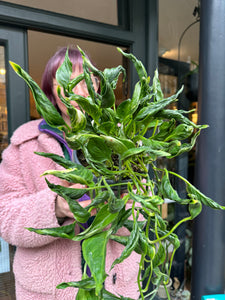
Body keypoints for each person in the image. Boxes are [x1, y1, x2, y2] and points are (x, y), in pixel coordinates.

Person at [0, 47, 141, 300]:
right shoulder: (25, 145)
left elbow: (141, 202)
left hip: (114, 282)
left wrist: (123, 207)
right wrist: (56, 207)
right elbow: (5, 216)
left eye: (88, 80)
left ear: (99, 87)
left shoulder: (120, 140)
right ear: (51, 91)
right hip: (49, 290)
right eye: (66, 81)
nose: (79, 90)